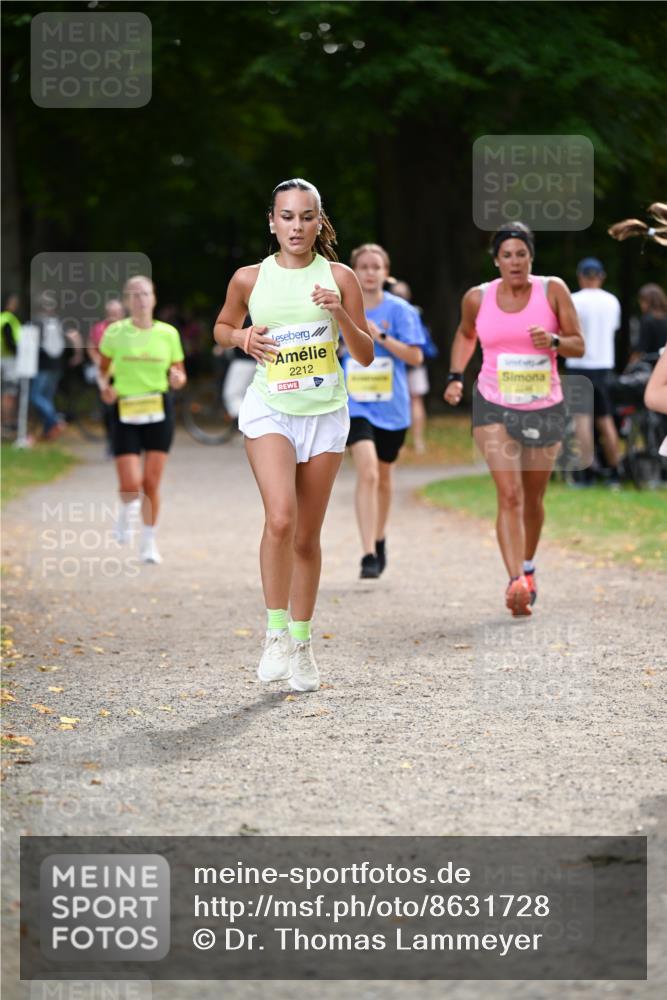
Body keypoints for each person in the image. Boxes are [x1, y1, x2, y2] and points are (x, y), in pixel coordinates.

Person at [213, 178, 373, 693]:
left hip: (324, 414)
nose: (296, 227)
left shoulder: (340, 277)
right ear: (272, 221)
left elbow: (366, 352)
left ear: (318, 222)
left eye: (306, 217)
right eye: (287, 216)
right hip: (271, 410)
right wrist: (242, 336)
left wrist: (338, 311)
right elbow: (222, 327)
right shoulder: (249, 278)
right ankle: (275, 633)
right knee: (281, 517)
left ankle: (302, 643)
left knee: (306, 537)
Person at [444, 222, 584, 616]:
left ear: (531, 257)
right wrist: (456, 377)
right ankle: (515, 582)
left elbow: (578, 344)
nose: (515, 261)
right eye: (507, 255)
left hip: (544, 405)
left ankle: (528, 565)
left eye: (521, 254)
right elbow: (466, 334)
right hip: (493, 403)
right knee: (509, 494)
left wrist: (554, 341)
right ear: (496, 261)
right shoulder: (477, 297)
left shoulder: (552, 290)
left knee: (533, 498)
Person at [341, 246, 424, 579]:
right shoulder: (341, 308)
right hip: (355, 404)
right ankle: (367, 554)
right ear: (353, 272)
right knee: (369, 472)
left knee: (384, 477)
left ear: (386, 272)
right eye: (363, 267)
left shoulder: (401, 310)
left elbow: (416, 357)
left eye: (376, 267)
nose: (370, 272)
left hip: (392, 407)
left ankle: (379, 536)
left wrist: (382, 336)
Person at [97, 276, 187, 564]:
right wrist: (105, 389)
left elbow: (179, 374)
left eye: (145, 293)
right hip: (125, 409)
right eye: (134, 295)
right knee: (130, 483)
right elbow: (103, 371)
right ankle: (126, 511)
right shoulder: (114, 333)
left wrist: (177, 379)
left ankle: (148, 543)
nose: (140, 299)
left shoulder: (168, 334)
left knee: (150, 483)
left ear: (154, 298)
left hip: (158, 409)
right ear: (126, 301)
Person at [566, 257, 622, 487]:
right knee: (605, 419)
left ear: (580, 277)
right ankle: (615, 470)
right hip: (604, 365)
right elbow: (613, 329)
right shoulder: (612, 301)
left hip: (579, 366)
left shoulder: (573, 300)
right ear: (601, 277)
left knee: (582, 421)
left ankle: (587, 471)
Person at [391, 279, 437, 455]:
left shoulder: (391, 311)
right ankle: (416, 443)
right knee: (415, 400)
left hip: (400, 364)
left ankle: (407, 443)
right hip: (411, 365)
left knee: (408, 401)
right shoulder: (414, 312)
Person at [88, 299, 125, 456]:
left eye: (116, 312)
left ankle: (124, 443)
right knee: (107, 411)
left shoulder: (129, 329)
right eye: (110, 312)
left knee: (123, 409)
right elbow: (91, 347)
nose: (113, 315)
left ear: (122, 313)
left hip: (124, 375)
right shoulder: (99, 329)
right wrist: (98, 361)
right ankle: (111, 442)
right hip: (105, 376)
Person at [1, 292, 22, 431]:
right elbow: (10, 342)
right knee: (9, 393)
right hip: (8, 360)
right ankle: (7, 423)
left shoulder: (1, 318)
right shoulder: (9, 319)